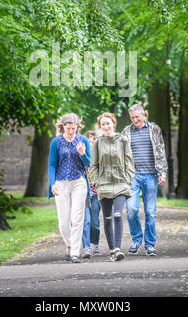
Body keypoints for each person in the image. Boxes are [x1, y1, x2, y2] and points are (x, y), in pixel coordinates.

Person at [122, 104, 168, 257]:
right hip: (132, 176)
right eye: (133, 118)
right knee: (131, 209)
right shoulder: (126, 132)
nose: (135, 120)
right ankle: (136, 240)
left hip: (150, 175)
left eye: (137, 117)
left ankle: (149, 244)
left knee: (150, 212)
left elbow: (160, 150)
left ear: (143, 115)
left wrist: (162, 172)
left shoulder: (154, 129)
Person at [90, 112, 135, 262]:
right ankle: (112, 251)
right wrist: (96, 182)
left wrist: (127, 178)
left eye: (108, 123)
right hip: (104, 185)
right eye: (103, 124)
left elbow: (129, 162)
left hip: (121, 183)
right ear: (100, 126)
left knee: (118, 214)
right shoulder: (97, 143)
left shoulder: (123, 140)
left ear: (113, 124)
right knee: (107, 217)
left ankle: (117, 249)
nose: (106, 126)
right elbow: (93, 165)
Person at [48, 113, 92, 263]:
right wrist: (52, 183)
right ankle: (70, 243)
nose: (71, 131)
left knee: (77, 218)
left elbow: (88, 163)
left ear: (77, 127)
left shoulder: (83, 140)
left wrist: (82, 153)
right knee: (63, 221)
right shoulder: (56, 142)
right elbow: (52, 164)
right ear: (63, 127)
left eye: (74, 128)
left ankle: (74, 252)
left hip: (79, 182)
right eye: (68, 128)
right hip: (61, 183)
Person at [81, 130, 101, 259]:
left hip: (96, 194)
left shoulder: (99, 158)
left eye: (93, 142)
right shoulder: (81, 157)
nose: (91, 144)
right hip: (84, 193)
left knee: (95, 222)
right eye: (89, 142)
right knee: (86, 221)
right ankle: (86, 247)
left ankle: (95, 243)